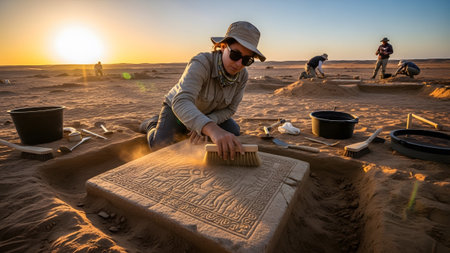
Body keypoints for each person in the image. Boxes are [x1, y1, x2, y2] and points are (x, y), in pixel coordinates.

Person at [139, 21, 265, 160]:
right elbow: (181, 102)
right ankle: (151, 124)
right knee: (159, 147)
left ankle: (192, 128)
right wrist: (211, 129)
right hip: (176, 110)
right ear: (223, 47)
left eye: (247, 60)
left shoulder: (243, 76)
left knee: (233, 131)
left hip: (208, 114)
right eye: (235, 55)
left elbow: (230, 109)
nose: (239, 64)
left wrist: (207, 122)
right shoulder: (201, 63)